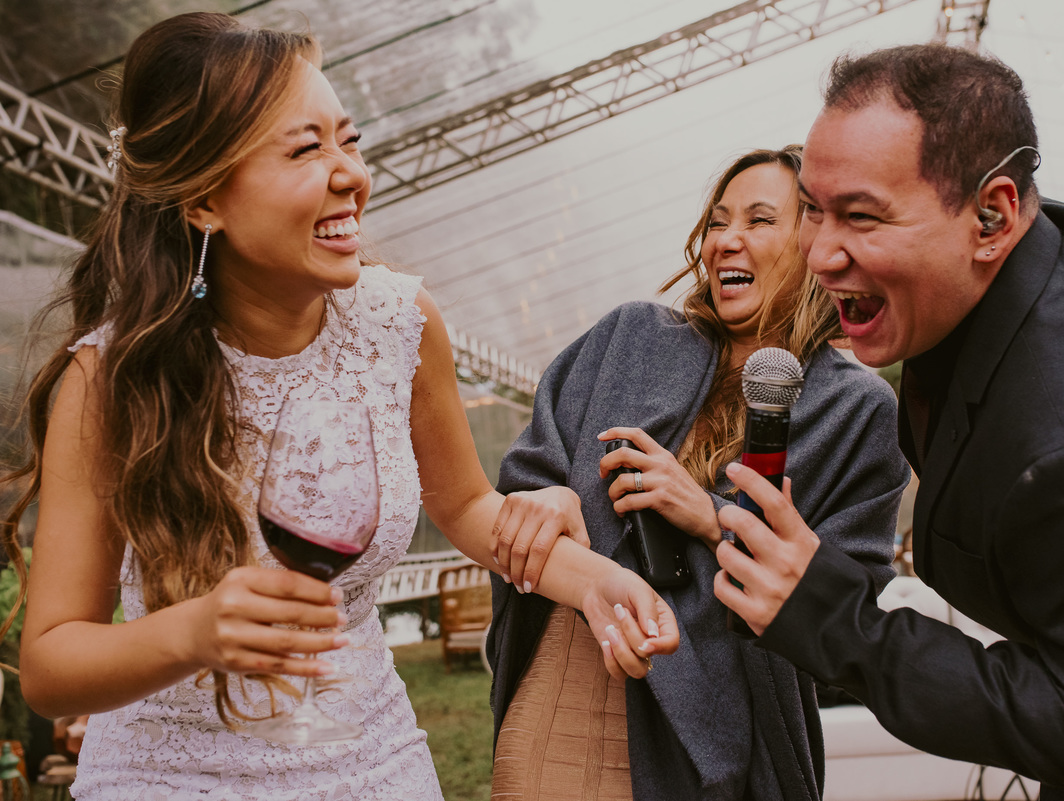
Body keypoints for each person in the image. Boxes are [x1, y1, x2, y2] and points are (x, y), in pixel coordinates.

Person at [0, 13, 678, 800]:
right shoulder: (111, 380)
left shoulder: (402, 323)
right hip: (165, 779)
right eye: (304, 149)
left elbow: (466, 508)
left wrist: (595, 582)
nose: (349, 172)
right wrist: (194, 630)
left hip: (371, 762)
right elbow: (50, 667)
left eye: (347, 141)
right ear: (203, 201)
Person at [715, 44, 1064, 801]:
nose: (819, 253)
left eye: (863, 217)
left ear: (992, 217)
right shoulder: (1018, 267)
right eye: (813, 207)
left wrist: (835, 616)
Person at [487, 146, 910, 800]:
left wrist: (712, 520)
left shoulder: (855, 407)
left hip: (719, 739)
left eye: (759, 220)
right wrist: (542, 495)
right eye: (717, 222)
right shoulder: (627, 336)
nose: (726, 241)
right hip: (565, 691)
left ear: (816, 242)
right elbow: (524, 477)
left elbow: (849, 612)